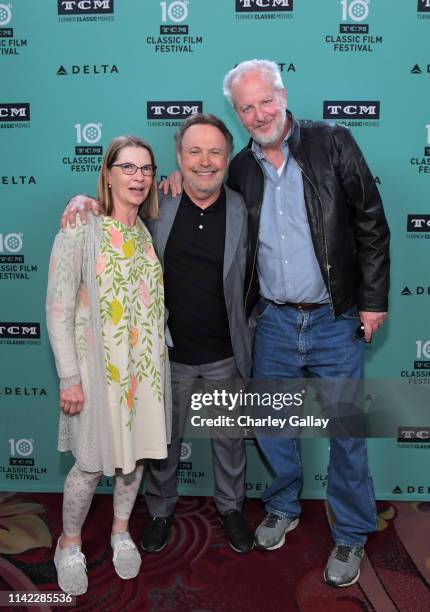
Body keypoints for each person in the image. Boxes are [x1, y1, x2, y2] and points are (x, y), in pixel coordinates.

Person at [221, 59, 390, 587]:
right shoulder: (240, 168)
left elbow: (371, 222)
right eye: (246, 108)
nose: (258, 114)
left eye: (264, 101)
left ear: (283, 94)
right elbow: (205, 202)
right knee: (273, 428)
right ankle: (283, 505)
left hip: (334, 319)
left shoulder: (331, 141)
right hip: (272, 320)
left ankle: (352, 534)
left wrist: (372, 299)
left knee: (346, 433)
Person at [60, 114, 255, 554]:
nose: (205, 162)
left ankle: (230, 509)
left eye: (215, 152)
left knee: (229, 443)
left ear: (227, 156)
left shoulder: (242, 208)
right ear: (179, 159)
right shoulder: (157, 205)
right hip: (165, 357)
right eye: (194, 152)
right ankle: (162, 511)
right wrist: (83, 200)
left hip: (227, 352)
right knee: (161, 445)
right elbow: (113, 215)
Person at [46, 135, 170, 595]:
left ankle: (121, 532)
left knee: (133, 460)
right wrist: (69, 377)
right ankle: (69, 543)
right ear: (108, 173)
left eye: (146, 169)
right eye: (128, 167)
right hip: (96, 376)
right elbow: (58, 308)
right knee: (88, 466)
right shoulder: (81, 227)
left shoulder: (144, 234)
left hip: (142, 374)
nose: (138, 177)